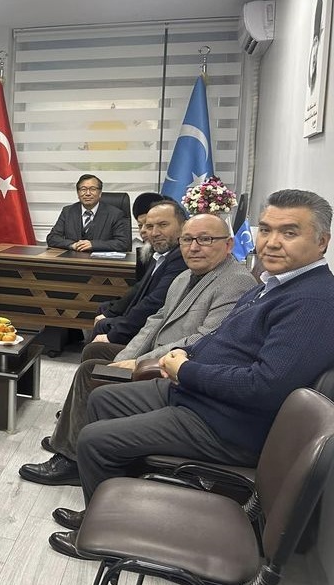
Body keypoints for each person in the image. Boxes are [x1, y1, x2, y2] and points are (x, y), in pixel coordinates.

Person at [49, 189, 334, 560]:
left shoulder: (313, 302)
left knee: (95, 439)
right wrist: (187, 355)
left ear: (322, 241)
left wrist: (186, 370)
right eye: (265, 230)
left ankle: (108, 534)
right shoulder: (275, 284)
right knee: (104, 398)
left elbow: (264, 387)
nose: (272, 242)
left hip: (224, 423)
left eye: (290, 232)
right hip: (201, 395)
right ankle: (111, 509)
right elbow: (218, 336)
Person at [19, 213, 256, 486]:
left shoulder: (236, 282)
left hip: (174, 368)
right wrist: (127, 357)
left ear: (228, 244)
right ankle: (68, 438)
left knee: (89, 371)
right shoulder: (185, 276)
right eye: (187, 239)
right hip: (156, 353)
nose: (194, 247)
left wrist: (140, 362)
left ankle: (71, 461)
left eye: (205, 239)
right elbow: (156, 321)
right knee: (94, 353)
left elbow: (203, 340)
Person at [90, 200, 188, 346]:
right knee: (104, 309)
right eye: (149, 226)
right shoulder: (161, 253)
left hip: (156, 332)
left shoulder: (181, 256)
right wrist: (112, 313)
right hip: (145, 322)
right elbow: (140, 288)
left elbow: (155, 303)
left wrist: (114, 334)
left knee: (102, 327)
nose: (154, 233)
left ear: (183, 226)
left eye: (163, 225)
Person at [47, 174, 132, 252]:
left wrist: (93, 245)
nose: (87, 193)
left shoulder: (115, 214)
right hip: (72, 260)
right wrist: (72, 245)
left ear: (100, 193)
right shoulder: (68, 211)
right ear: (78, 193)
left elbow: (123, 243)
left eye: (93, 189)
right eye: (83, 189)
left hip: (101, 261)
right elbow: (52, 238)